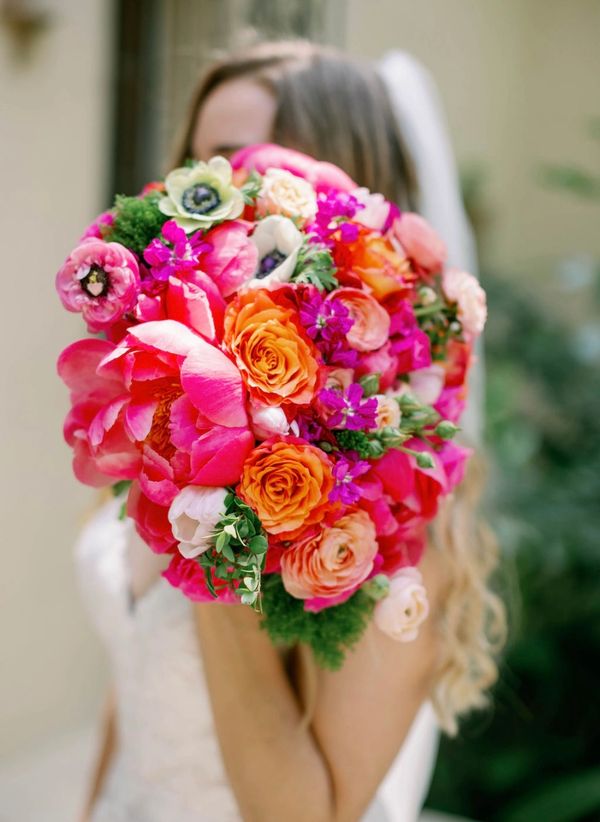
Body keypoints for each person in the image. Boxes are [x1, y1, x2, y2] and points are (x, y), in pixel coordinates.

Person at [77, 40, 505, 822]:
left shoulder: (391, 511)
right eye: (199, 166)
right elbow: (134, 681)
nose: (208, 195)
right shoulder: (161, 414)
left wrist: (216, 527)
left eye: (246, 166)